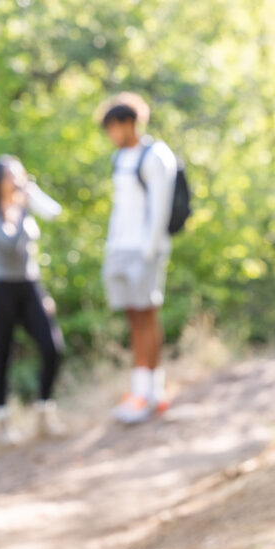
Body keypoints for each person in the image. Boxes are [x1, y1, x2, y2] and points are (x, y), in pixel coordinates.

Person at [98, 93, 178, 424]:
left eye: (113, 127)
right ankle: (143, 388)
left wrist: (150, 249)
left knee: (147, 315)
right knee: (133, 316)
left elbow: (160, 208)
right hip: (120, 248)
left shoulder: (155, 156)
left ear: (129, 123)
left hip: (145, 250)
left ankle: (148, 392)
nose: (111, 134)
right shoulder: (120, 158)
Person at [0, 155, 66, 444]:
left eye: (19, 175)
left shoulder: (24, 203)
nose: (16, 181)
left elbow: (54, 213)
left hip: (30, 285)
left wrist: (31, 198)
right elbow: (8, 245)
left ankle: (44, 411)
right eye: (10, 176)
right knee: (3, 354)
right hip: (2, 288)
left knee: (53, 348)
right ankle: (3, 421)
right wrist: (21, 211)